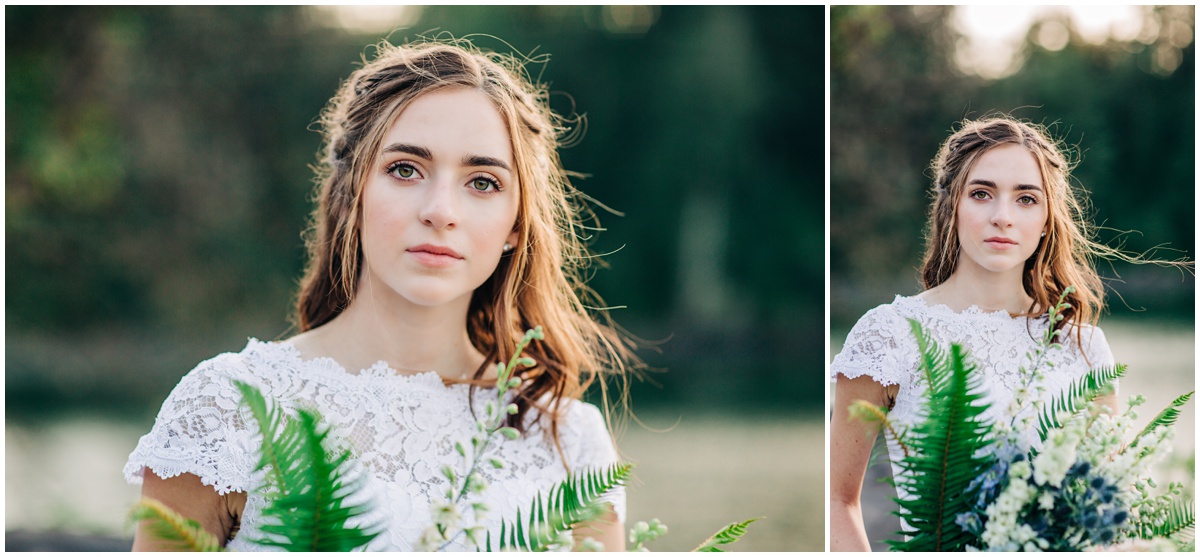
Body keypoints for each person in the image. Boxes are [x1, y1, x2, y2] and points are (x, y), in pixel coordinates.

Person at [125, 38, 637, 551]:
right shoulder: (227, 408)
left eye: (482, 182)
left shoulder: (570, 443)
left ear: (515, 225)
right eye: (405, 169)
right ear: (353, 193)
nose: (440, 211)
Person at [828, 117, 1124, 551]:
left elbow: (1111, 506)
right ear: (953, 207)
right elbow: (837, 498)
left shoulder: (1085, 347)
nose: (1002, 217)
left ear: (1046, 219)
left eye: (1026, 199)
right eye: (982, 194)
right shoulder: (889, 334)